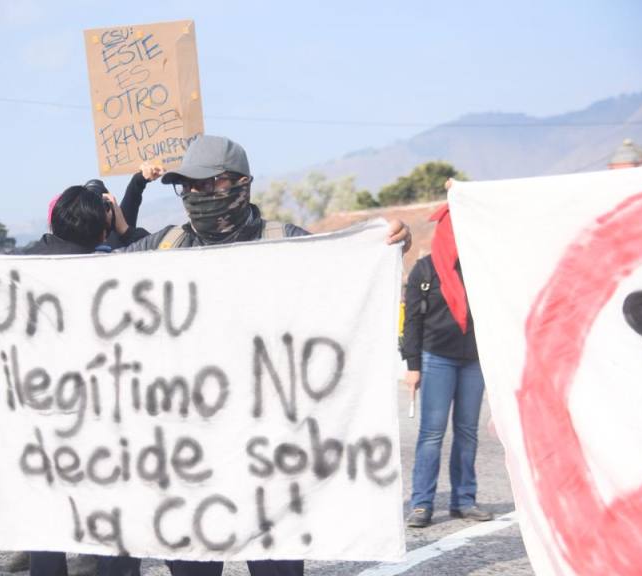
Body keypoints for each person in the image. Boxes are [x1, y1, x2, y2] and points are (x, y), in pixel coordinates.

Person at [106, 134, 412, 576]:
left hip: (269, 458)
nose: (196, 195)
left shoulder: (284, 242)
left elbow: (347, 267)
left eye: (208, 185)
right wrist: (0, 270)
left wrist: (388, 245)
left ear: (242, 185)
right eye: (187, 187)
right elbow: (85, 277)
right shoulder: (163, 246)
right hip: (190, 457)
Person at [0, 184, 113, 576]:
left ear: (53, 221)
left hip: (39, 424)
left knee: (46, 526)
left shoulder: (22, 267)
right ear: (102, 231)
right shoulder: (116, 270)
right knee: (114, 521)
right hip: (103, 422)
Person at [400, 202, 492, 528]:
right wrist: (412, 366)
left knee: (467, 432)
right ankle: (422, 503)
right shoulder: (424, 271)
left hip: (474, 361)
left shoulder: (482, 268)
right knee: (431, 434)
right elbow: (411, 323)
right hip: (436, 357)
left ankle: (464, 500)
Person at [84, 162, 161, 249]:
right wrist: (126, 232)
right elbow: (153, 246)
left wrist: (140, 178)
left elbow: (132, 198)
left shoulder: (118, 228)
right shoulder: (121, 232)